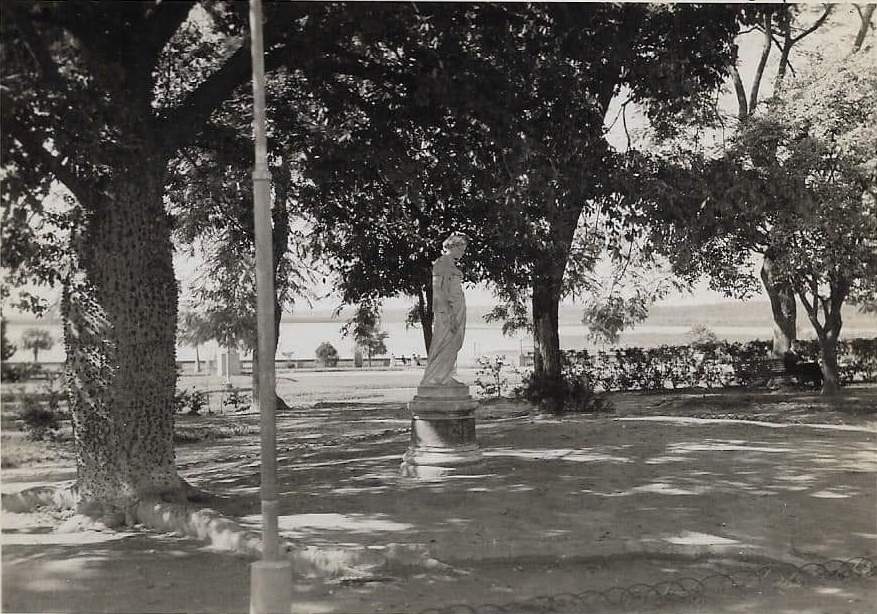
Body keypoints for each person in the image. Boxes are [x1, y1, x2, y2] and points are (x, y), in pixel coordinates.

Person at [420, 233, 468, 386]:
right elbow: (438, 289)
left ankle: (445, 375)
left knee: (454, 341)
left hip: (457, 307)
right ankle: (437, 377)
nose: (463, 252)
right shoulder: (442, 263)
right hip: (448, 309)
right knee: (445, 341)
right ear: (453, 247)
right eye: (461, 249)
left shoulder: (451, 263)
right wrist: (448, 312)